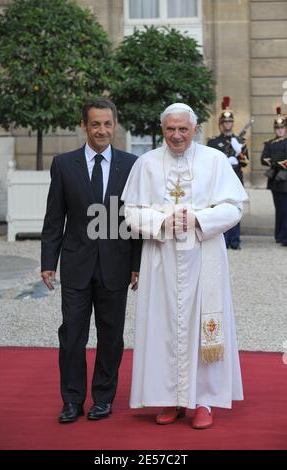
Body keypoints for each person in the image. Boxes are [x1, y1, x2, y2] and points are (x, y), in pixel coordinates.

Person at [121, 103, 248, 429]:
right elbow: (130, 212)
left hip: (204, 259)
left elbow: (234, 207)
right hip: (161, 259)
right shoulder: (147, 164)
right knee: (163, 327)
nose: (176, 135)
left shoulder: (215, 161)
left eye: (183, 129)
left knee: (204, 327)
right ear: (163, 130)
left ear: (195, 129)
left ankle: (204, 400)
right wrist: (163, 220)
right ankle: (170, 399)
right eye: (170, 129)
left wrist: (198, 218)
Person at [41, 97, 142, 423]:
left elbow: (136, 220)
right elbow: (55, 217)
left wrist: (137, 264)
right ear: (84, 125)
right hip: (76, 264)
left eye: (107, 123)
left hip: (116, 264)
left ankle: (103, 397)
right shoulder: (63, 164)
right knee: (72, 335)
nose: (102, 130)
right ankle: (71, 400)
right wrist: (48, 262)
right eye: (95, 124)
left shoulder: (131, 165)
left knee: (111, 335)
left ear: (115, 125)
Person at [207, 97, 249, 250]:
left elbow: (246, 163)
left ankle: (235, 241)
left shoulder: (240, 141)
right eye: (225, 122)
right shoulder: (212, 142)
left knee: (235, 209)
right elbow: (209, 162)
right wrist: (226, 161)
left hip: (236, 178)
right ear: (220, 124)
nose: (227, 124)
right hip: (218, 180)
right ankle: (223, 240)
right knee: (219, 210)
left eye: (230, 122)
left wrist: (239, 155)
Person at [261, 107, 287, 245]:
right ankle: (279, 235)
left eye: (282, 128)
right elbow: (264, 159)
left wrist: (276, 162)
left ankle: (284, 236)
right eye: (277, 128)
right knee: (280, 209)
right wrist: (276, 162)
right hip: (275, 181)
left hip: (285, 178)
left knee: (285, 210)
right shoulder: (270, 143)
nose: (280, 130)